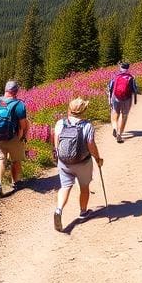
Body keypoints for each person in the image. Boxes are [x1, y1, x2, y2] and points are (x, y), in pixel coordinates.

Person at [52, 97, 103, 231]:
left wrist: (58, 155)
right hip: (82, 162)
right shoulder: (87, 125)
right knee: (84, 186)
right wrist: (97, 158)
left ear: (69, 109)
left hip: (64, 161)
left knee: (65, 186)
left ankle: (59, 210)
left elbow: (56, 141)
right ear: (84, 110)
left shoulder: (60, 123)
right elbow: (91, 145)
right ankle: (83, 211)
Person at [0, 79, 28, 198]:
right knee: (16, 160)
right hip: (13, 138)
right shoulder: (19, 104)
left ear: (5, 90)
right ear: (16, 91)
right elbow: (23, 125)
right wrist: (22, 136)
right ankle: (16, 183)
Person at [107, 61, 138, 143]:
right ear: (128, 68)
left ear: (120, 67)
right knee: (124, 116)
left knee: (115, 113)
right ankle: (119, 134)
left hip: (116, 97)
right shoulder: (131, 77)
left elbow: (110, 88)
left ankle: (114, 128)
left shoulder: (115, 76)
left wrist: (109, 99)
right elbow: (135, 89)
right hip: (127, 99)